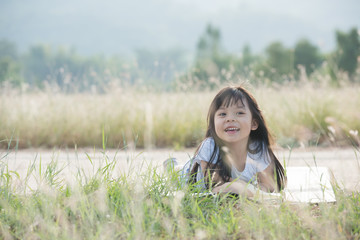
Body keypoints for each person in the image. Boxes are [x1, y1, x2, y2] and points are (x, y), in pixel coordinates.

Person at [180, 85, 286, 198]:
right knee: (177, 173)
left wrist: (248, 189)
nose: (230, 118)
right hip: (187, 175)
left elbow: (269, 186)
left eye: (239, 113)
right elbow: (215, 186)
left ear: (254, 123)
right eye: (222, 114)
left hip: (239, 187)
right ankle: (173, 166)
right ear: (213, 124)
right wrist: (248, 189)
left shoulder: (257, 149)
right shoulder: (210, 146)